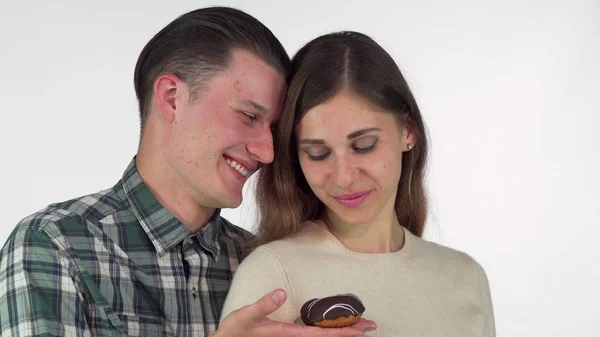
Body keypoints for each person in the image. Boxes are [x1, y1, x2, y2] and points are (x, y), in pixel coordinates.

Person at [0, 7, 375, 337]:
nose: (267, 151)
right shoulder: (56, 244)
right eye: (248, 116)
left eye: (274, 130)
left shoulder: (263, 264)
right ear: (171, 99)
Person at [220, 31, 496, 336]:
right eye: (318, 153)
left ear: (408, 131)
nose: (344, 177)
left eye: (364, 145)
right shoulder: (271, 275)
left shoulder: (466, 278)